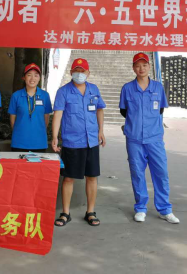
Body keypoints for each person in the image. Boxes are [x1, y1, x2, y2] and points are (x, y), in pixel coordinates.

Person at [119, 52, 179, 224]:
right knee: (137, 174)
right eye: (138, 66)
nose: (141, 68)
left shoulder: (158, 88)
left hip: (155, 139)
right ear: (133, 68)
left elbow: (160, 110)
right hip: (134, 138)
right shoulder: (127, 88)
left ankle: (165, 209)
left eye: (144, 65)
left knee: (161, 173)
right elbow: (124, 111)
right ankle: (140, 208)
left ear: (149, 66)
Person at [52, 58, 106, 227]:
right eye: (76, 71)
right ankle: (65, 213)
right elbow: (58, 114)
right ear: (71, 72)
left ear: (88, 73)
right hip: (72, 142)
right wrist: (55, 136)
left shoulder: (94, 89)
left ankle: (90, 212)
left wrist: (101, 130)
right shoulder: (63, 91)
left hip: (92, 141)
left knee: (92, 177)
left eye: (83, 71)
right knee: (69, 178)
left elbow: (99, 109)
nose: (79, 74)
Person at [8, 63, 53, 152]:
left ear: (39, 78)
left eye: (36, 75)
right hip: (19, 142)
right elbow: (12, 119)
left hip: (39, 142)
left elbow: (46, 118)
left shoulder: (45, 95)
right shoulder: (16, 95)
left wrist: (39, 131)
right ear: (24, 77)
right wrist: (19, 133)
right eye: (29, 75)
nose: (32, 78)